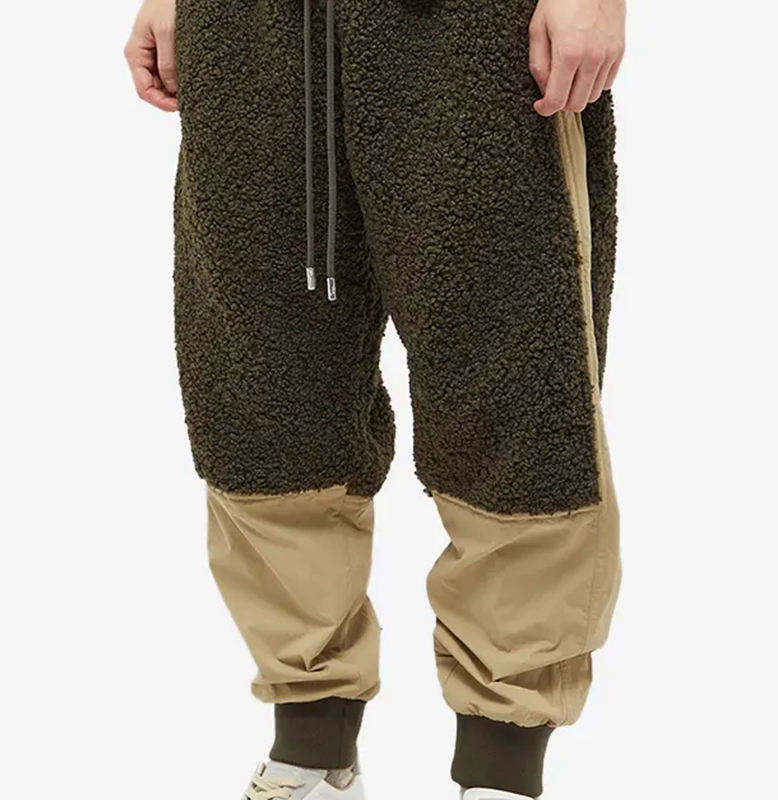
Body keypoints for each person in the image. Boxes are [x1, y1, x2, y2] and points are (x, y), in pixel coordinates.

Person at [124, 1, 626, 797]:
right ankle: (313, 752)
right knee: (259, 389)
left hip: (475, 27)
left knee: (515, 385)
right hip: (247, 26)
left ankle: (500, 765)